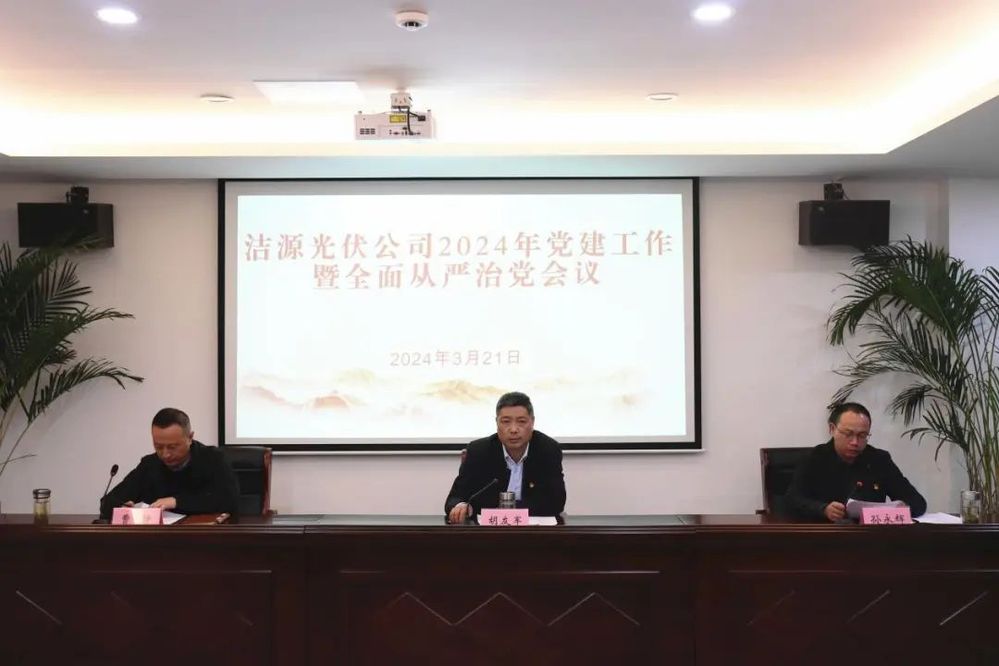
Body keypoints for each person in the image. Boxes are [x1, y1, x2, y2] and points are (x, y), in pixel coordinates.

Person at [785, 402, 927, 521]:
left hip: (870, 537)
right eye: (848, 434)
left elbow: (918, 503)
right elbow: (792, 501)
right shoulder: (814, 458)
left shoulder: (879, 460)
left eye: (862, 435)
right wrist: (823, 509)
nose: (855, 442)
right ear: (832, 429)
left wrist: (897, 510)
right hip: (825, 536)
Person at [445, 391, 566, 523]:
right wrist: (461, 506)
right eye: (506, 422)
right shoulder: (479, 451)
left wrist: (506, 510)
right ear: (497, 423)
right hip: (489, 531)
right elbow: (455, 498)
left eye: (521, 421)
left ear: (532, 422)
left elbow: (556, 502)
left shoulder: (548, 450)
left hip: (534, 530)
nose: (513, 429)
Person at [100, 407, 239, 519]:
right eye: (158, 446)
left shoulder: (213, 459)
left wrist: (176, 501)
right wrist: (122, 508)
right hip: (160, 541)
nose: (165, 454)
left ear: (190, 437)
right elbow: (108, 502)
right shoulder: (149, 465)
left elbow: (229, 500)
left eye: (172, 447)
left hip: (204, 539)